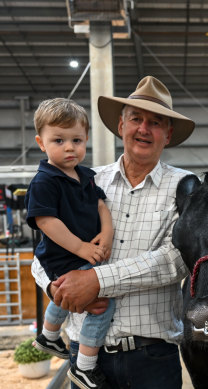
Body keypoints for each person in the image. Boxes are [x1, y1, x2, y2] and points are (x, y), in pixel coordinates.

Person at [31, 76, 196, 389]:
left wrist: (95, 281)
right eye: (135, 119)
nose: (143, 129)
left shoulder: (187, 188)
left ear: (168, 134)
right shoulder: (84, 180)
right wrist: (59, 291)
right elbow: (44, 253)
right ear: (121, 126)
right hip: (83, 356)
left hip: (152, 357)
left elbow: (175, 261)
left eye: (156, 122)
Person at [26, 98, 114, 389]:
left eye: (76, 140)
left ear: (86, 139)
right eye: (59, 140)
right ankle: (84, 367)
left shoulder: (86, 175)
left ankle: (49, 336)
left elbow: (101, 204)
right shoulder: (44, 181)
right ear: (41, 142)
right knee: (102, 305)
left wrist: (107, 231)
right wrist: (81, 247)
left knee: (63, 294)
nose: (69, 147)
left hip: (81, 253)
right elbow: (46, 222)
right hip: (62, 255)